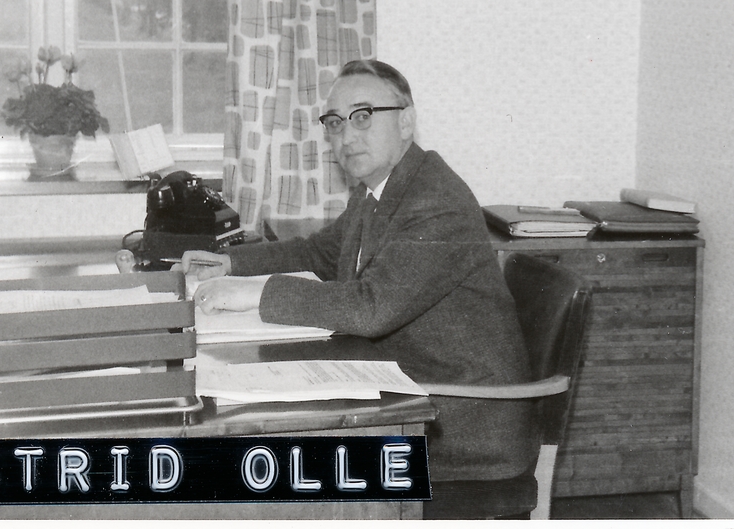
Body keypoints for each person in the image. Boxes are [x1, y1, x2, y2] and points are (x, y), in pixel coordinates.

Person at [182, 59, 539, 483]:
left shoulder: (437, 201)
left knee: (262, 462)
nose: (346, 136)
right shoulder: (380, 188)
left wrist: (254, 295)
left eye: (363, 117)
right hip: (406, 390)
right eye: (335, 122)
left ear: (405, 122)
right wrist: (232, 264)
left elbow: (373, 308)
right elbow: (321, 253)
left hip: (460, 422)